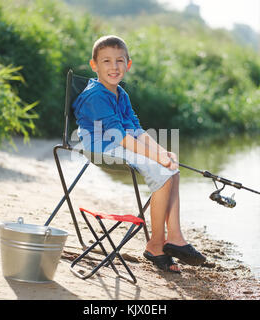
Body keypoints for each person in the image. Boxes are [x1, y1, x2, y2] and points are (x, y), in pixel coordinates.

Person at [72, 35, 206, 273]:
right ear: (94, 65)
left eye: (119, 61)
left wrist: (163, 152)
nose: (114, 67)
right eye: (106, 61)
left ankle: (174, 236)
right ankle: (156, 245)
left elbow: (136, 131)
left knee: (170, 166)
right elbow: (120, 137)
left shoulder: (120, 94)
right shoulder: (95, 96)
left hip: (117, 145)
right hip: (98, 148)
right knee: (158, 167)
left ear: (128, 64)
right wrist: (156, 159)